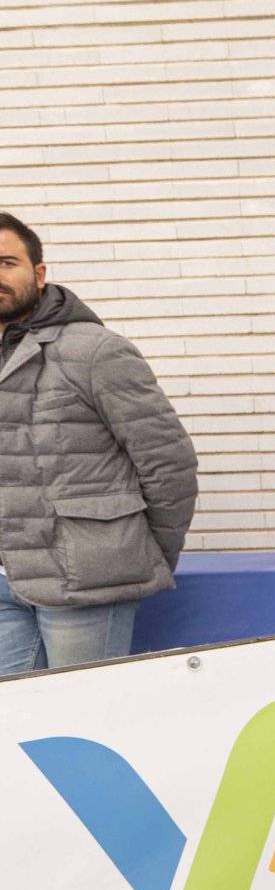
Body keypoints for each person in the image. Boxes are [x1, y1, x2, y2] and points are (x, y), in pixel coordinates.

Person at [0, 215, 199, 673]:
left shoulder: (94, 351)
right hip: (6, 581)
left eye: (7, 262)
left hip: (86, 582)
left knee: (80, 725)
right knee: (15, 727)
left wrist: (138, 553)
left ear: (39, 273)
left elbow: (169, 462)